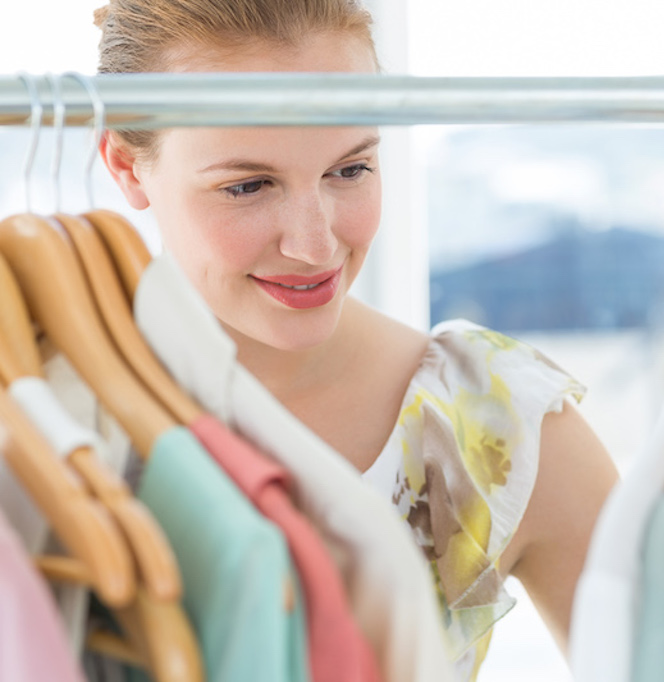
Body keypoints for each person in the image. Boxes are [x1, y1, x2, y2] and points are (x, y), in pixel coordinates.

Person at [94, 0, 620, 679]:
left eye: (350, 169)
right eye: (248, 186)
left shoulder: (495, 424)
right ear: (127, 167)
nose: (315, 245)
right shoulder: (35, 423)